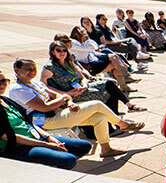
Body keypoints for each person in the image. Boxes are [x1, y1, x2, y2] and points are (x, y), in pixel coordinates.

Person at [8, 59, 142, 158]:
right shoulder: (18, 88)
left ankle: (106, 149)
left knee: (99, 118)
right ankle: (123, 124)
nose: (32, 71)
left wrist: (68, 101)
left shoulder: (34, 83)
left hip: (57, 112)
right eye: (28, 69)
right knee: (97, 104)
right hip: (44, 121)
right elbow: (44, 107)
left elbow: (55, 95)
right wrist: (64, 97)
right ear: (17, 70)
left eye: (33, 68)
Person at [0, 69, 92, 170]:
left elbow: (29, 123)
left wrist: (49, 138)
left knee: (84, 146)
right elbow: (9, 137)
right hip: (17, 146)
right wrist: (47, 145)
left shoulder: (6, 101)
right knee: (69, 159)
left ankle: (52, 165)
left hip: (37, 137)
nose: (2, 85)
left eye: (4, 81)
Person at [41, 40, 145, 115]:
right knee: (106, 92)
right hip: (72, 95)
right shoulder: (49, 68)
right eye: (58, 50)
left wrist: (84, 85)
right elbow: (44, 87)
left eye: (64, 50)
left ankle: (128, 107)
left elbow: (82, 77)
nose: (62, 53)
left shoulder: (69, 63)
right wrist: (67, 94)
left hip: (82, 89)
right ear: (52, 52)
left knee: (109, 84)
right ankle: (113, 117)